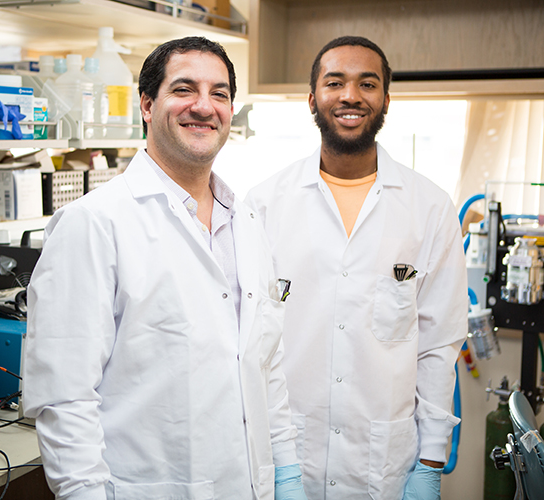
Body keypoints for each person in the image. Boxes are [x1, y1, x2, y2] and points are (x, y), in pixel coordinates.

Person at [23, 37, 307, 500]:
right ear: (147, 106)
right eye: (184, 89)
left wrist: (287, 469)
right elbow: (65, 397)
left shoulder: (249, 222)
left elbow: (264, 365)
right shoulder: (94, 224)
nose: (203, 106)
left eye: (219, 93)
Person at [246, 36, 467, 500]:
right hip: (285, 458)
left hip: (384, 464)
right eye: (335, 82)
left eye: (368, 83)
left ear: (386, 99)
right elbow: (251, 343)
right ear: (312, 99)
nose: (351, 96)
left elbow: (439, 344)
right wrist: (277, 467)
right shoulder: (263, 206)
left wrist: (430, 462)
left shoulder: (429, 208)